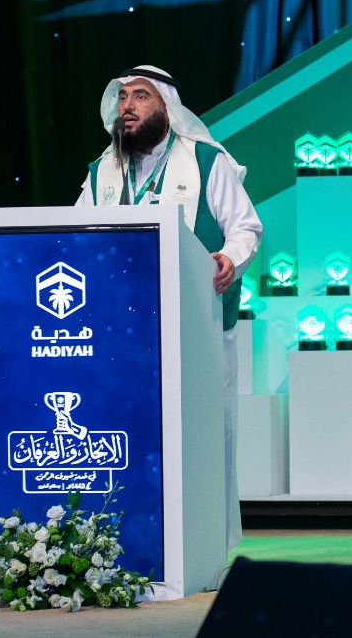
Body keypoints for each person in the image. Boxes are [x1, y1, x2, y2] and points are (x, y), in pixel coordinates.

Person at [76, 64, 262, 552]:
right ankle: (128, 543)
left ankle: (210, 548)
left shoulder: (204, 160)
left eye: (140, 96)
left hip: (197, 326)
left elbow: (246, 228)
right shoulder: (102, 171)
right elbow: (74, 237)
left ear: (166, 106)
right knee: (128, 436)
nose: (128, 106)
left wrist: (230, 258)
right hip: (122, 336)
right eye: (122, 97)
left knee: (204, 435)